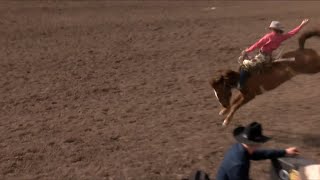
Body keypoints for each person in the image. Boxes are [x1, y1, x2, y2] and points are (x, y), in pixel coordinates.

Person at [237, 19, 310, 90]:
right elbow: (292, 33)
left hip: (262, 57)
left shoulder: (269, 36)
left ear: (272, 29)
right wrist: (302, 25)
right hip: (269, 57)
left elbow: (258, 44)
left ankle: (240, 84)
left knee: (245, 66)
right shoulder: (282, 37)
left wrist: (247, 51)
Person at [216, 122, 300, 180]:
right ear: (257, 143)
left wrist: (284, 151)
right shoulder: (239, 165)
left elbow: (261, 154)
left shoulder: (240, 148)